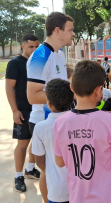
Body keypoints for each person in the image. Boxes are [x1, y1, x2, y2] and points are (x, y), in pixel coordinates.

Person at [53, 60, 111, 203]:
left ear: (72, 87)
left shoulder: (60, 123)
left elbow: (60, 162)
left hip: (78, 196)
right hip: (110, 197)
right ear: (99, 90)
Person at [26, 12, 74, 201]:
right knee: (49, 171)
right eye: (70, 30)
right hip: (45, 120)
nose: (73, 34)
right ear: (57, 30)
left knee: (62, 169)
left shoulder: (59, 54)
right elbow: (32, 95)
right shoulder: (40, 56)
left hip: (61, 119)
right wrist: (68, 97)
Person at [5, 34, 39, 192]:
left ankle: (30, 169)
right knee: (23, 144)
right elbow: (9, 87)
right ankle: (18, 176)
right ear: (23, 46)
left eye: (36, 47)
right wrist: (15, 110)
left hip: (38, 109)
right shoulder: (15, 63)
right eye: (31, 47)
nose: (34, 50)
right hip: (23, 110)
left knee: (37, 141)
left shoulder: (39, 62)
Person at [32, 79, 73, 203]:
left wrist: (49, 170)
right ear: (72, 101)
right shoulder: (80, 122)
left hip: (57, 191)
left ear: (49, 104)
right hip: (80, 188)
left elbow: (39, 161)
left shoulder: (40, 128)